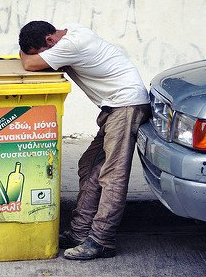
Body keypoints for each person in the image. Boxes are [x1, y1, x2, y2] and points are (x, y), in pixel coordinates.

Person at [18, 21, 150, 260]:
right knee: (88, 166)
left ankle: (102, 240)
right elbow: (34, 60)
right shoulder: (72, 34)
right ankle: (79, 232)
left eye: (42, 52)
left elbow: (29, 64)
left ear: (49, 41)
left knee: (112, 174)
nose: (46, 58)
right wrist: (33, 51)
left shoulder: (71, 44)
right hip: (115, 107)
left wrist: (29, 55)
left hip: (126, 106)